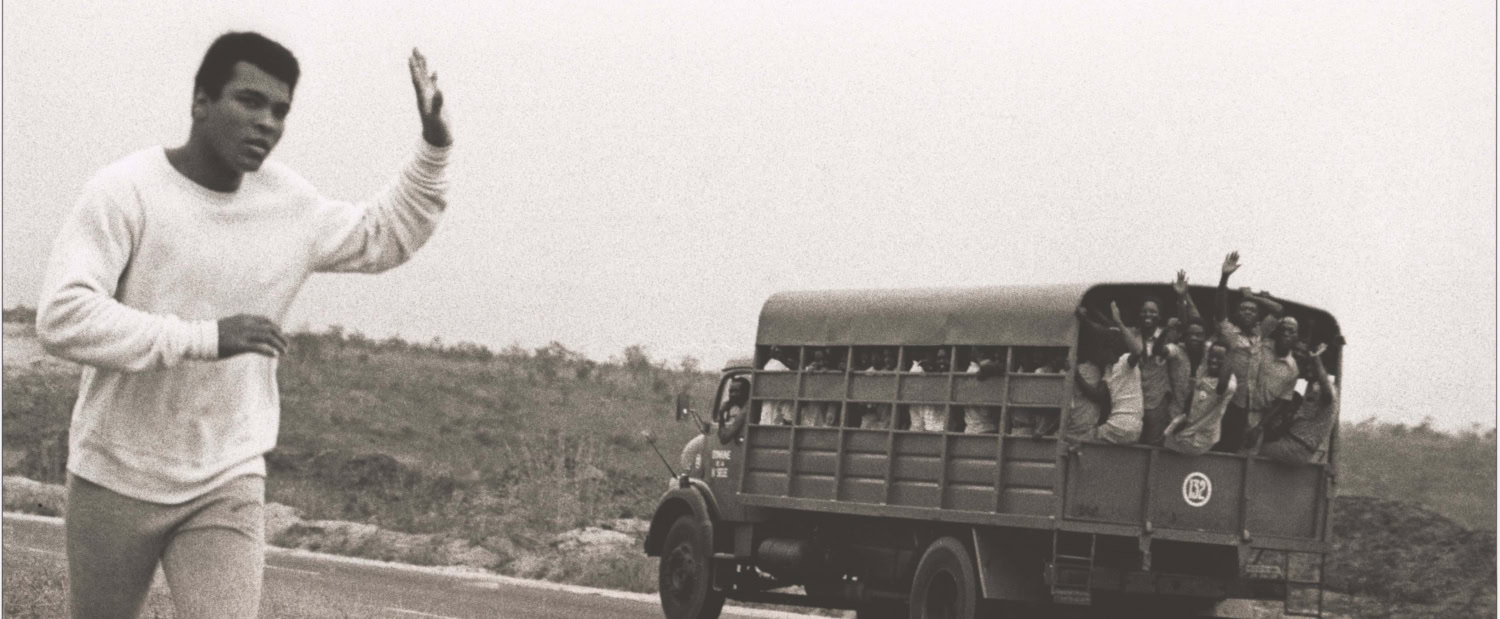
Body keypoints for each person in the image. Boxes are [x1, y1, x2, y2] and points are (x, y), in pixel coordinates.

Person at [34, 32, 452, 619]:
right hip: (116, 474)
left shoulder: (289, 205)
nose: (267, 122)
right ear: (200, 102)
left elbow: (381, 235)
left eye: (280, 110)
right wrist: (204, 337)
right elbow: (63, 316)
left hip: (226, 475)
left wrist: (433, 147)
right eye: (249, 102)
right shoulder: (124, 191)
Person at [1211, 251, 1285, 452]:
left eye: (1252, 310)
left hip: (1251, 408)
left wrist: (1252, 296)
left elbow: (1279, 311)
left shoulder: (1260, 333)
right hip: (1229, 402)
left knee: (1242, 450)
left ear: (1257, 316)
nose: (1247, 312)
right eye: (1243, 309)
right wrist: (1225, 277)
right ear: (1237, 313)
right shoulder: (1230, 333)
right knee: (1222, 448)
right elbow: (1220, 310)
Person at [1073, 303, 1145, 444]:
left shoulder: (1125, 362)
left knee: (1077, 439)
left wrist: (1118, 321)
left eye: (1103, 348)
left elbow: (1137, 351)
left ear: (1112, 348)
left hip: (1119, 426)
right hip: (1133, 428)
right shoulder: (1108, 370)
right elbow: (1097, 395)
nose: (1098, 354)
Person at [1258, 344, 1338, 463]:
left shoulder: (1325, 388)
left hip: (1297, 446)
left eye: (1313, 365)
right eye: (1308, 364)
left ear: (1321, 368)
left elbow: (1328, 396)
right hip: (1293, 443)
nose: (1308, 368)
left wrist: (1316, 360)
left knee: (1255, 449)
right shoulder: (1312, 385)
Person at [1130, 296, 1192, 446]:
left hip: (1157, 399)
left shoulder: (1166, 334)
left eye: (1153, 311)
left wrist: (1181, 299)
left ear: (1160, 316)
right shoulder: (1132, 334)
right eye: (1144, 311)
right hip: (1133, 397)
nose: (1148, 315)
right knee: (1132, 442)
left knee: (1152, 442)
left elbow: (1182, 326)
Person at [1162, 344, 1237, 455]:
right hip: (1184, 429)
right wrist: (1183, 418)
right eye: (1212, 356)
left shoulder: (1229, 384)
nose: (1214, 361)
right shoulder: (1204, 371)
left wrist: (1231, 354)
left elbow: (1222, 386)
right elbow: (1193, 393)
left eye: (1219, 358)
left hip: (1198, 440)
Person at [907, 348, 949, 431]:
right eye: (939, 358)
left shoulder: (946, 377)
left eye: (945, 358)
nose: (942, 361)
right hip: (929, 430)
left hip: (941, 429)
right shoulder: (919, 373)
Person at [758, 346, 796, 425]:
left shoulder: (768, 366)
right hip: (776, 426)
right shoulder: (780, 368)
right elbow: (788, 417)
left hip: (765, 423)